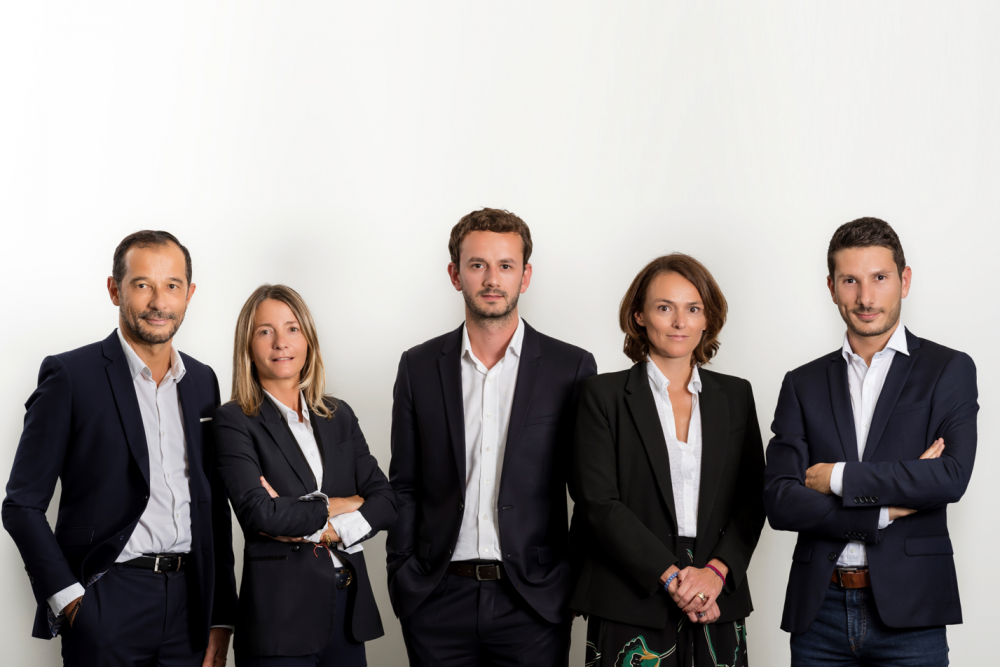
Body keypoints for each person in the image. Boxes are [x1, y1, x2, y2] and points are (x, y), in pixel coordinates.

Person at [2, 231, 237, 666]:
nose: (159, 302)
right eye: (142, 284)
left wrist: (221, 614)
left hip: (190, 606)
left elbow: (213, 506)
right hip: (107, 601)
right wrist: (70, 601)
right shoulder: (71, 376)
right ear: (115, 289)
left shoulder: (203, 381)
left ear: (189, 294)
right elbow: (21, 505)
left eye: (172, 286)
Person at [385, 208, 598, 666]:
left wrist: (569, 582)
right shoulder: (418, 367)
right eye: (477, 264)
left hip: (534, 601)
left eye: (506, 265)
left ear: (525, 276)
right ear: (455, 274)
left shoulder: (571, 368)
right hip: (436, 598)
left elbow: (589, 492)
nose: (492, 279)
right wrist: (403, 572)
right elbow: (404, 484)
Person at [764, 217, 978, 666]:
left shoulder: (947, 369)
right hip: (818, 613)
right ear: (831, 287)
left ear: (905, 280)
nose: (865, 298)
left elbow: (949, 477)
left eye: (879, 278)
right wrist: (882, 511)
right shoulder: (802, 383)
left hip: (912, 612)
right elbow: (781, 501)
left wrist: (837, 477)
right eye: (850, 281)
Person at [572, 253, 765, 667]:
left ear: (707, 319)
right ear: (639, 316)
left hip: (716, 594)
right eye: (665, 308)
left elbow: (753, 499)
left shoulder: (735, 396)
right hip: (630, 593)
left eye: (693, 309)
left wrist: (715, 573)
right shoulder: (602, 396)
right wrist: (673, 577)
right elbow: (597, 502)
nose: (680, 322)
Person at [213, 284, 396, 667]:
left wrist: (326, 528)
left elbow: (386, 502)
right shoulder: (234, 420)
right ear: (248, 345)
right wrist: (345, 503)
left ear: (308, 339)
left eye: (292, 329)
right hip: (281, 621)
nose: (281, 342)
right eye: (265, 331)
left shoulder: (338, 415)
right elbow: (261, 514)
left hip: (348, 613)